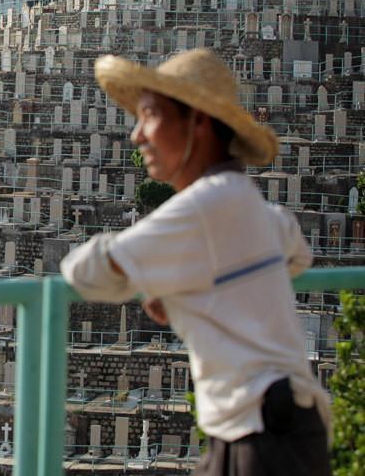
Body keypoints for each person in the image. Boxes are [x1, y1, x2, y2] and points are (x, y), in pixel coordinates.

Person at [60, 49, 331, 475]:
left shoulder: (203, 206)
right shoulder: (246, 201)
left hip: (259, 437)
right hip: (279, 425)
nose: (137, 135)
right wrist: (199, 284)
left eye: (150, 115)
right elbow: (297, 252)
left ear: (198, 122)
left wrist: (159, 279)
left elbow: (84, 270)